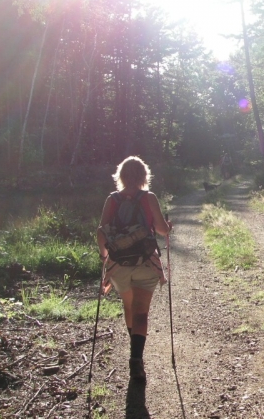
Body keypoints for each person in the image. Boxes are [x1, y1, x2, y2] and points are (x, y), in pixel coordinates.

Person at [96, 156, 172, 381]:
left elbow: (102, 232)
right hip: (146, 262)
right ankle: (136, 359)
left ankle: (134, 345)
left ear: (120, 176)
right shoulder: (149, 198)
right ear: (143, 176)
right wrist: (168, 228)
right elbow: (160, 230)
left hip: (119, 264)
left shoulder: (112, 199)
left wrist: (104, 258)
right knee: (141, 311)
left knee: (128, 306)